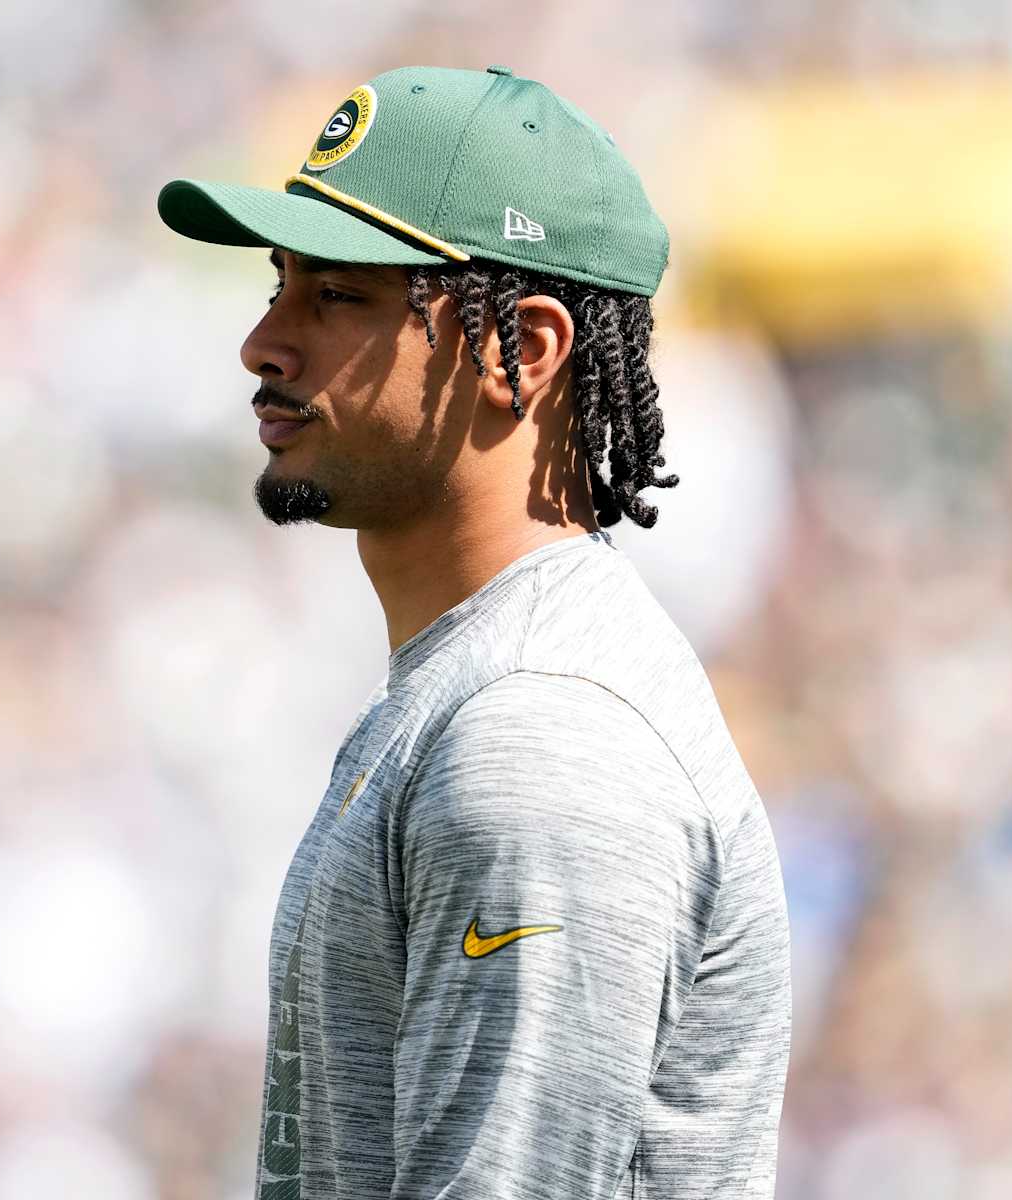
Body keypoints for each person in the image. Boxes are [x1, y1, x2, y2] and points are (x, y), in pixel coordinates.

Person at [157, 64, 791, 1200]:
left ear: (525, 351)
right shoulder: (476, 686)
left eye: (339, 296)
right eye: (279, 282)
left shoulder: (538, 737)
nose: (264, 341)